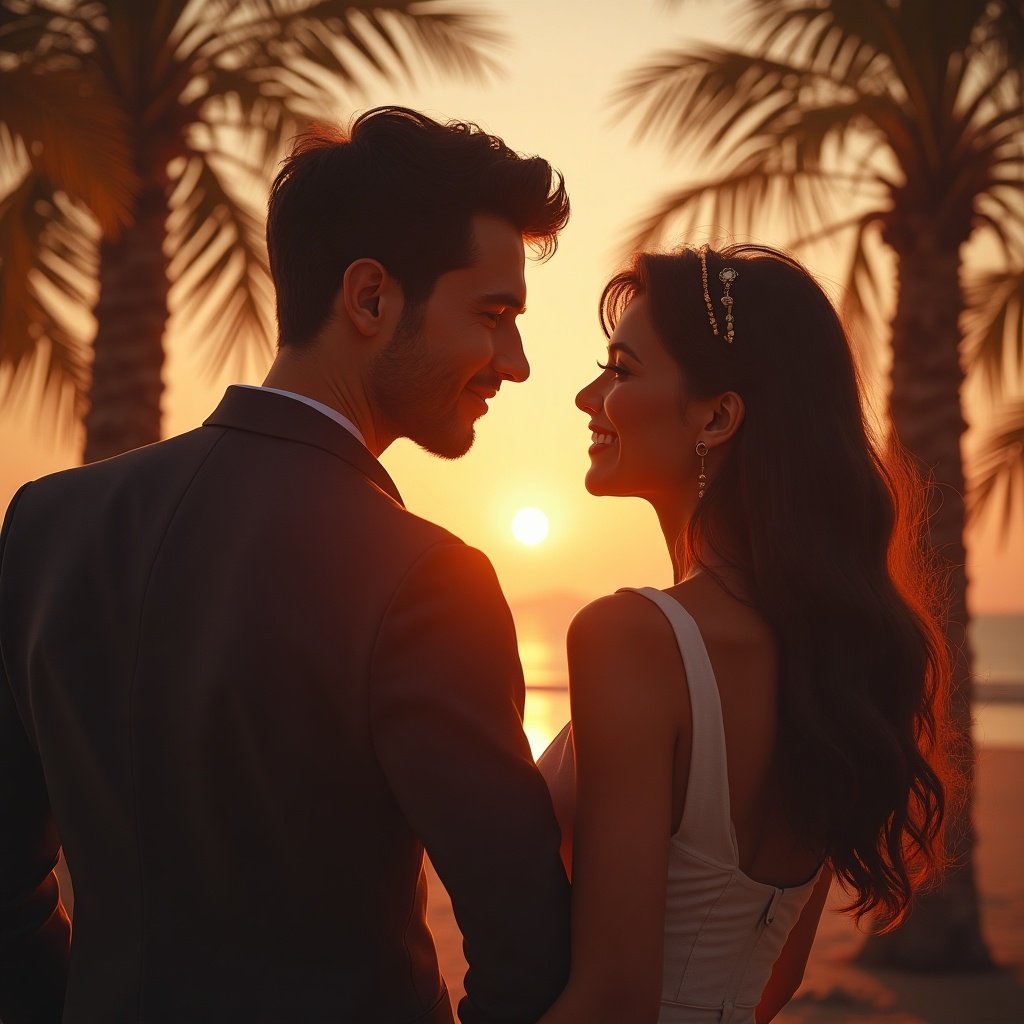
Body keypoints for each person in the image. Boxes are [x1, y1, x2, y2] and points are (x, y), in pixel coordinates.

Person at [0, 106, 571, 1024]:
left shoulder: (47, 524)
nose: (517, 362)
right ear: (371, 297)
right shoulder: (426, 580)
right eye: (495, 314)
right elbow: (527, 951)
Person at [537, 243, 952, 1024]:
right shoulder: (835, 655)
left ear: (719, 416)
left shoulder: (633, 637)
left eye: (622, 370)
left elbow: (614, 1002)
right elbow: (774, 986)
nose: (589, 397)